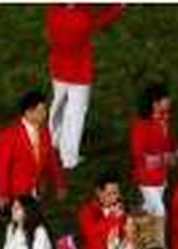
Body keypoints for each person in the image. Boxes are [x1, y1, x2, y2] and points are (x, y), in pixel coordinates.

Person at [45, 4, 124, 170]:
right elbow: (99, 21)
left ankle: (52, 141)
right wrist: (117, 7)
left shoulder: (53, 12)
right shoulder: (82, 19)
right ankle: (69, 158)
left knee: (58, 105)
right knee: (75, 115)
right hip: (79, 73)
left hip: (58, 68)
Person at [0, 90, 67, 210]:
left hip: (38, 192)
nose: (45, 114)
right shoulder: (9, 135)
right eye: (40, 111)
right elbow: (1, 167)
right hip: (16, 195)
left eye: (45, 110)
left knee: (36, 219)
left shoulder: (45, 133)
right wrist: (1, 194)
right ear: (28, 113)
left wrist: (60, 184)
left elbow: (51, 160)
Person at [130, 82, 178, 216]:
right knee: (159, 213)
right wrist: (164, 158)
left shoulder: (165, 122)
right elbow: (138, 153)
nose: (169, 100)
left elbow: (171, 145)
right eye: (165, 98)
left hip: (161, 177)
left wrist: (176, 152)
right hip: (146, 178)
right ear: (155, 103)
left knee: (149, 214)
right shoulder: (141, 124)